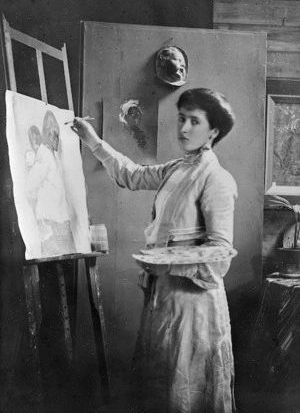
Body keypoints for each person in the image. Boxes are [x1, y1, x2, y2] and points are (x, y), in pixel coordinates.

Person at [72, 88, 237, 413]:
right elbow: (132, 175)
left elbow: (219, 254)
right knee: (161, 387)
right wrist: (92, 140)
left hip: (193, 303)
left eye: (194, 121)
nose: (184, 128)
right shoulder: (178, 169)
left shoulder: (216, 178)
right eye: (181, 119)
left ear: (213, 131)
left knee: (185, 389)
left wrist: (166, 261)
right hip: (163, 299)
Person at [26, 110, 76, 257]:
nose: (56, 139)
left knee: (65, 260)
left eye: (57, 135)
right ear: (46, 135)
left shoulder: (54, 156)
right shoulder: (45, 154)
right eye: (53, 135)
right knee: (53, 263)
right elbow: (30, 187)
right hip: (50, 220)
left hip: (60, 219)